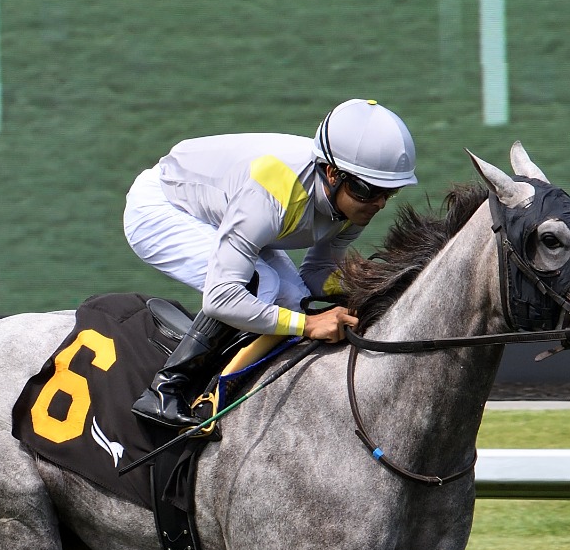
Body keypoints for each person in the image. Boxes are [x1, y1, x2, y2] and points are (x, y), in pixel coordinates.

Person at [123, 99, 418, 428]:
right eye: (368, 191)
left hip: (224, 211)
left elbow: (316, 274)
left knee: (295, 299)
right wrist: (309, 325)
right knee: (262, 284)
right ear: (333, 174)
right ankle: (165, 388)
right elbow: (220, 298)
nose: (378, 204)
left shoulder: (354, 203)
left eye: (389, 192)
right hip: (161, 208)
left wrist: (371, 286)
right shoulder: (271, 190)